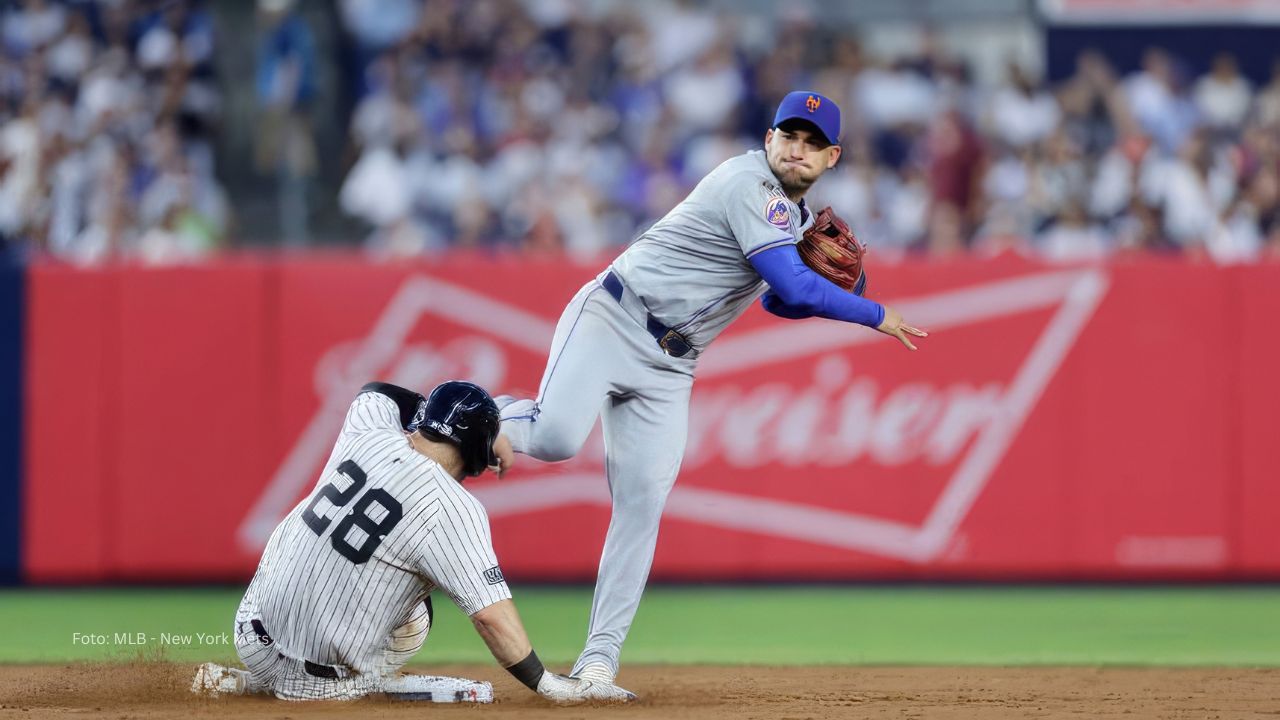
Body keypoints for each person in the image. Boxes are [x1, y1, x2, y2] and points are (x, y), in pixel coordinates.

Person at [497, 91, 928, 690]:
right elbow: (796, 289)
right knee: (554, 436)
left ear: (832, 157)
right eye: (788, 136)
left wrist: (818, 277)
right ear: (770, 137)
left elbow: (780, 299)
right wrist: (870, 309)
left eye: (811, 143)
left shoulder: (795, 219)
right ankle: (468, 416)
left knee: (641, 506)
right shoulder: (747, 183)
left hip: (672, 365)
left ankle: (598, 662)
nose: (797, 150)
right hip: (614, 317)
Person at [192, 380, 633, 703]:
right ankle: (348, 687)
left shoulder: (369, 432)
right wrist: (547, 684)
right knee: (418, 612)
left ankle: (256, 680)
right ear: (478, 457)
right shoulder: (453, 509)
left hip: (251, 633)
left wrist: (449, 417)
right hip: (317, 686)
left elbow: (377, 390)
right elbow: (492, 620)